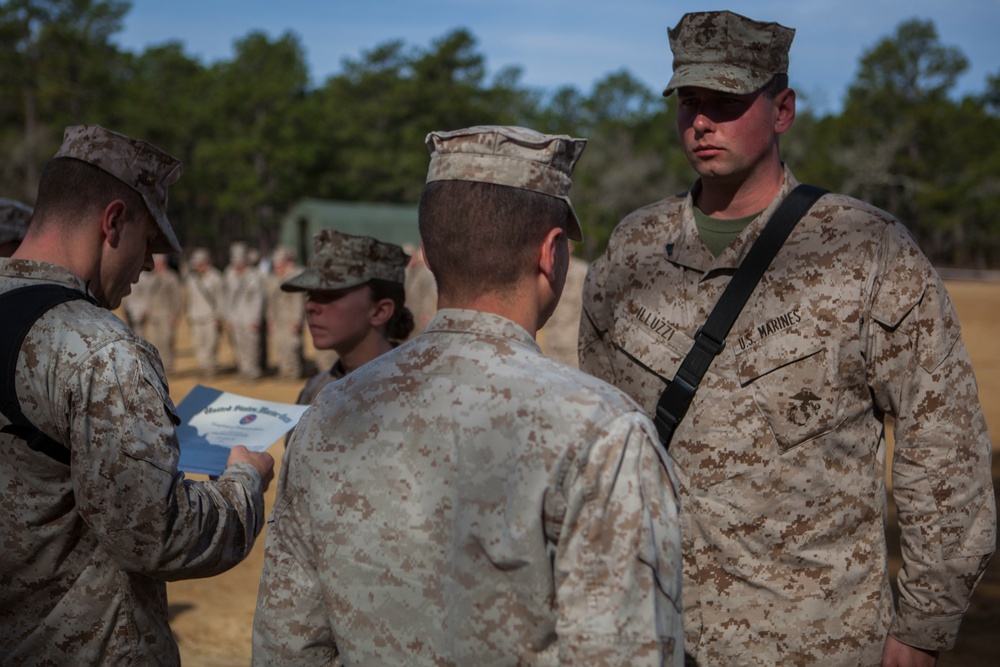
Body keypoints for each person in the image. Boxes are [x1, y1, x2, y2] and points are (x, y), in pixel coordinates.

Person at [579, 11, 996, 667]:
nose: (703, 122)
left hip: (814, 640)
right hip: (651, 633)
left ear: (783, 110)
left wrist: (923, 626)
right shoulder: (633, 252)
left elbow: (943, 447)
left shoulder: (866, 249)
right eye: (690, 102)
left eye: (727, 102)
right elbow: (600, 444)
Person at [253, 125, 684, 666]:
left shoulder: (331, 411)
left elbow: (289, 644)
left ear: (429, 254)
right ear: (553, 255)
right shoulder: (603, 432)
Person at [0, 124, 275, 665]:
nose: (149, 265)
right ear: (114, 221)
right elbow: (156, 534)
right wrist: (246, 481)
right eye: (149, 243)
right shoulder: (102, 349)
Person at [281, 229, 413, 406]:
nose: (310, 306)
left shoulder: (420, 391)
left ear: (380, 311)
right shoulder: (317, 390)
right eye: (309, 296)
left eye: (330, 296)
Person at [224, 241, 266, 380]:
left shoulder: (254, 275)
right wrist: (228, 317)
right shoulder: (229, 274)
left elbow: (258, 299)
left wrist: (256, 319)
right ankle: (243, 370)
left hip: (250, 317)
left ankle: (253, 372)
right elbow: (228, 297)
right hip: (236, 317)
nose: (238, 264)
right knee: (238, 346)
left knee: (252, 346)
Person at [136, 253, 183, 372]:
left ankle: (168, 367)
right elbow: (147, 296)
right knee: (154, 342)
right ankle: (158, 367)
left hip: (166, 314)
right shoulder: (150, 278)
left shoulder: (171, 277)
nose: (156, 265)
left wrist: (175, 314)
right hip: (153, 315)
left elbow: (177, 297)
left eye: (158, 262)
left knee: (166, 340)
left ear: (164, 263)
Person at [265, 245, 305, 380]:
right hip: (278, 318)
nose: (277, 267)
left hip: (290, 318)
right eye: (276, 264)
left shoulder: (295, 276)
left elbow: (298, 301)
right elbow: (270, 301)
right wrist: (270, 319)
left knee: (291, 346)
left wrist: (296, 320)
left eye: (280, 264)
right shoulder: (273, 278)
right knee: (280, 345)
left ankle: (294, 372)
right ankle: (284, 371)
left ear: (287, 262)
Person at [185, 247, 225, 377]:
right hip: (196, 316)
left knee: (211, 344)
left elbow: (221, 297)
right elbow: (189, 298)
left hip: (211, 316)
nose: (197, 266)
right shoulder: (191, 279)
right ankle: (203, 367)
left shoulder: (216, 277)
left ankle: (211, 368)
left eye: (199, 263)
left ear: (206, 262)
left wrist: (219, 315)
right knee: (198, 344)